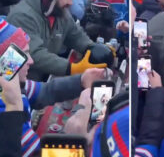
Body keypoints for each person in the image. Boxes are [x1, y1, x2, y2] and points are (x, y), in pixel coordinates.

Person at [0, 19, 106, 157]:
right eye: (23, 55)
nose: (31, 61)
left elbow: (45, 91)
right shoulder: (5, 111)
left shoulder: (11, 86)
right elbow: (39, 154)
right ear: (4, 64)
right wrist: (76, 138)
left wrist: (81, 80)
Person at [7, 0, 107, 81]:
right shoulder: (22, 16)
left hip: (42, 78)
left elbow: (75, 34)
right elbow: (35, 54)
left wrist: (93, 49)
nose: (71, 3)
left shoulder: (58, 11)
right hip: (18, 81)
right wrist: (70, 68)